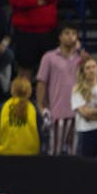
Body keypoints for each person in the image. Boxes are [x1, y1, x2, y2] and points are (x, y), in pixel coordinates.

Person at [35, 24, 84, 156]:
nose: (71, 37)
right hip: (57, 114)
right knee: (54, 154)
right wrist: (41, 106)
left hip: (77, 114)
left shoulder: (81, 59)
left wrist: (83, 54)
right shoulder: (49, 57)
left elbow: (92, 73)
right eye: (67, 33)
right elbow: (41, 83)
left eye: (73, 33)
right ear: (60, 37)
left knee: (74, 155)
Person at [0, 76, 39, 155]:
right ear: (29, 91)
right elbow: (42, 133)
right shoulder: (34, 109)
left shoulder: (3, 107)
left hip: (5, 155)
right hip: (31, 157)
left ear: (12, 90)